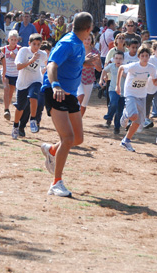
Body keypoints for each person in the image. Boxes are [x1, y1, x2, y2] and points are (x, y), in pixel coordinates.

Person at [39, 12, 97, 197]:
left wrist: (86, 62)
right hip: (56, 92)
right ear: (89, 29)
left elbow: (73, 63)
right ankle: (56, 183)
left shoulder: (79, 44)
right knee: (68, 138)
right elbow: (52, 64)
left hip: (70, 93)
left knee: (77, 139)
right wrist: (55, 85)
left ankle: (51, 149)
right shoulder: (68, 42)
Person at [116, 46, 157, 152]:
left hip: (142, 95)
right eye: (142, 56)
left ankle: (126, 141)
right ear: (139, 57)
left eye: (146, 56)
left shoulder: (152, 68)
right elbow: (121, 68)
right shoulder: (134, 66)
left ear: (149, 57)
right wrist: (118, 86)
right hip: (130, 93)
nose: (144, 58)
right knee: (133, 115)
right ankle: (126, 114)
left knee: (138, 121)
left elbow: (155, 83)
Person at [12, 33, 48, 138]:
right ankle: (15, 126)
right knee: (20, 107)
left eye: (38, 44)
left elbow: (48, 63)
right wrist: (31, 60)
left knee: (33, 97)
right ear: (29, 43)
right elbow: (18, 66)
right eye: (34, 44)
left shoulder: (43, 54)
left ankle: (33, 119)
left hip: (36, 80)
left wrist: (47, 68)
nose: (36, 47)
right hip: (22, 82)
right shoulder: (23, 51)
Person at [100, 51, 126, 134]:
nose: (118, 60)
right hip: (113, 89)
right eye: (116, 58)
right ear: (114, 59)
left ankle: (117, 127)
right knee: (114, 103)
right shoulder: (111, 66)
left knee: (120, 110)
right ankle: (109, 117)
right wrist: (102, 79)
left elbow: (129, 76)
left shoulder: (125, 68)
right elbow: (104, 70)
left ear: (123, 60)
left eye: (120, 58)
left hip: (123, 92)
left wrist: (124, 73)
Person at [77, 33, 102, 116]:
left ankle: (78, 122)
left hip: (89, 79)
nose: (87, 41)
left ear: (92, 40)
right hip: (77, 77)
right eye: (85, 39)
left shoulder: (96, 52)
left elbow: (99, 69)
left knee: (83, 105)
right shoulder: (77, 50)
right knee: (80, 96)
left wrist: (94, 62)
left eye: (89, 39)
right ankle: (73, 119)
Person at [2, 30, 20, 120]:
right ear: (8, 40)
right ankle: (6, 109)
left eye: (15, 39)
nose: (13, 41)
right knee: (6, 88)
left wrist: (15, 57)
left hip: (15, 74)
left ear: (17, 40)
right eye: (12, 39)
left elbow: (22, 61)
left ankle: (7, 108)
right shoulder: (4, 49)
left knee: (11, 92)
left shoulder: (20, 49)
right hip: (6, 72)